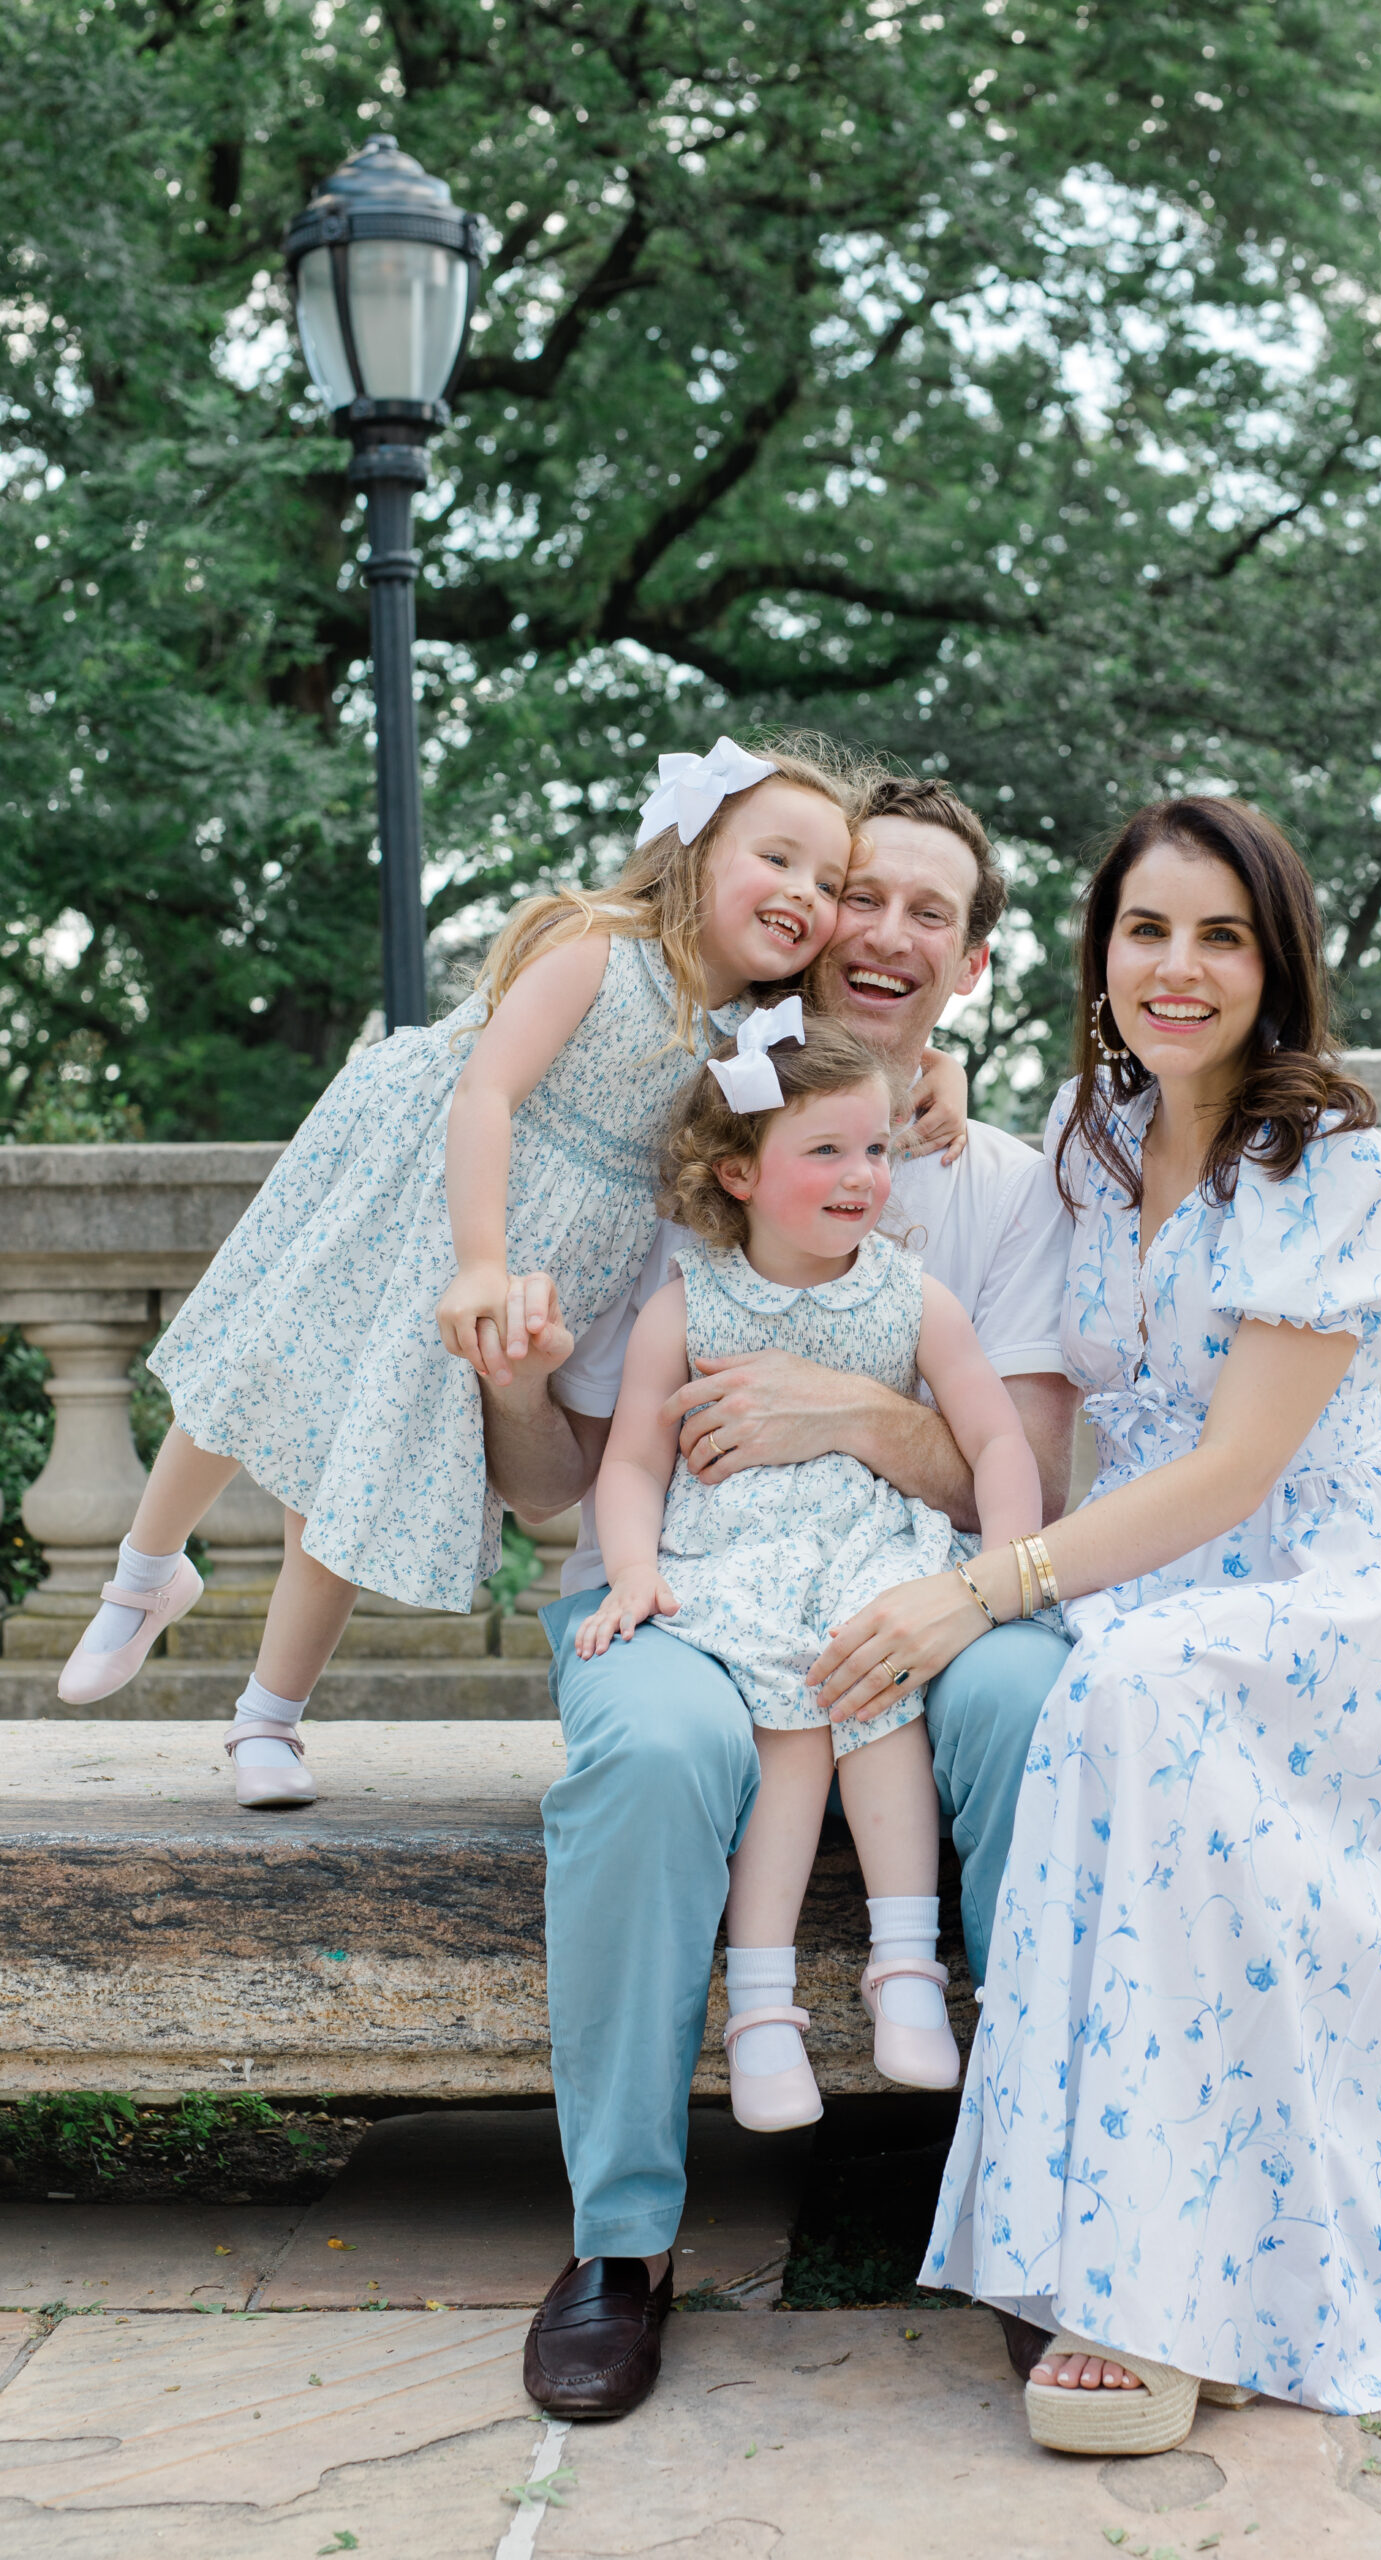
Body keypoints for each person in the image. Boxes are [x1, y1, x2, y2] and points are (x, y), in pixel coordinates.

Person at [812, 795, 1381, 2452]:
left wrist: (984, 1588)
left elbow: (1235, 1471)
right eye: (1145, 929)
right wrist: (909, 1090)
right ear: (1098, 958)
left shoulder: (1322, 1156)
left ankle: (1166, 2298)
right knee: (1100, 1703)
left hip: (1331, 1587)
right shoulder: (1087, 1132)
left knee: (1127, 1695)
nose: (1178, 965)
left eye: (1221, 934)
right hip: (1144, 1570)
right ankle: (1142, 2248)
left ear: (1275, 960)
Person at [476, 775, 1078, 2421]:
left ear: (964, 966)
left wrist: (852, 1416)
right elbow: (562, 1484)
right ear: (804, 920)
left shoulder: (995, 1187)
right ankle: (623, 2238)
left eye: (930, 914)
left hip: (923, 1583)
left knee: (1036, 1702)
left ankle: (1047, 2218)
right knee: (657, 1751)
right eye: (858, 892)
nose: (882, 928)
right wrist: (519, 1380)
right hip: (690, 1580)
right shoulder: (681, 1148)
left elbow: (1020, 1469)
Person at [55, 737, 941, 1808]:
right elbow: (485, 1095)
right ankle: (147, 1568)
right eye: (778, 858)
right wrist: (479, 1260)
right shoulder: (597, 947)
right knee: (265, 1373)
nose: (804, 893)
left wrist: (944, 1070)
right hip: (427, 1193)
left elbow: (855, 1078)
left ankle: (267, 1719)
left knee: (366, 1465)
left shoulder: (755, 1034)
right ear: (695, 850)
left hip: (553, 1249)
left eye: (827, 882)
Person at [578, 1010, 1043, 2130]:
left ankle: (903, 1972)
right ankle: (762, 2007)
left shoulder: (910, 1295)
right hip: (735, 1561)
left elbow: (997, 1441)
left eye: (875, 1149)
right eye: (825, 1151)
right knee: (783, 1735)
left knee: (873, 1694)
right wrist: (633, 1569)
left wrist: (1007, 1572)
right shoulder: (684, 1305)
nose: (861, 1176)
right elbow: (633, 1460)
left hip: (872, 1558)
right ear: (736, 1171)